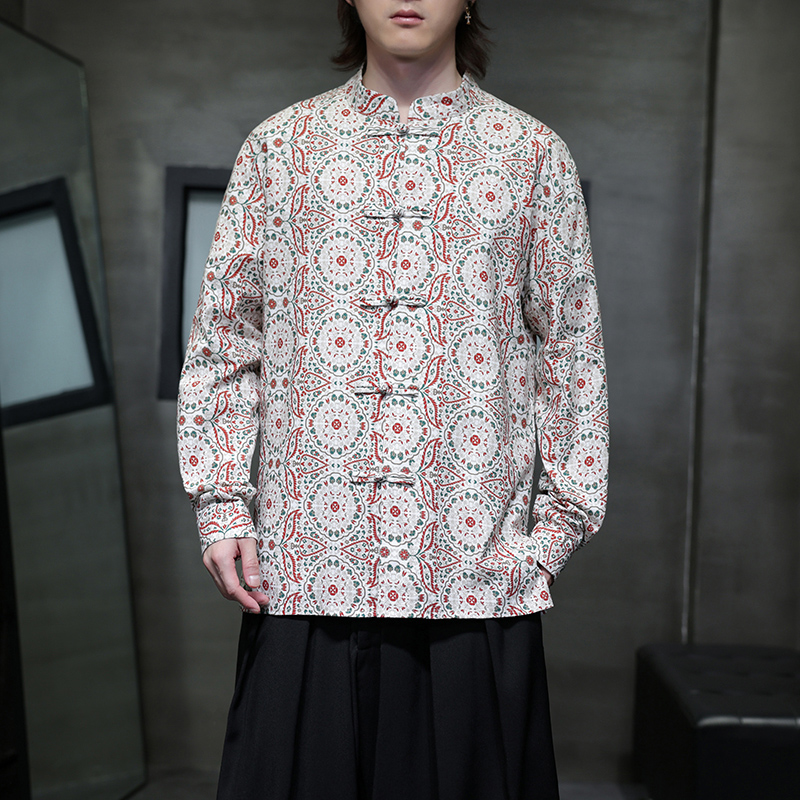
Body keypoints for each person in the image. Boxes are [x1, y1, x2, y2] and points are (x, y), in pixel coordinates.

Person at [177, 1, 608, 798]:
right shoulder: (279, 150)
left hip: (474, 582)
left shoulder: (531, 155)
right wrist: (222, 505)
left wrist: (548, 539)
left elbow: (573, 356)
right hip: (306, 576)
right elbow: (225, 344)